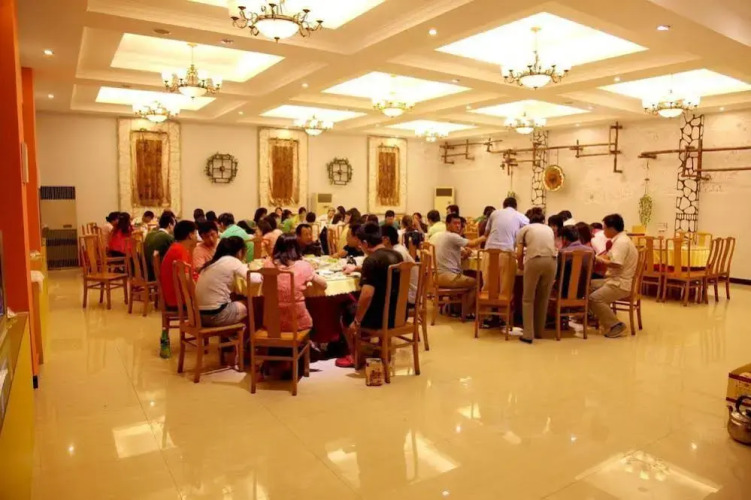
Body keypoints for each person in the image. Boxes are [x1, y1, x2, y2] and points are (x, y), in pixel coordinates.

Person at [339, 223, 403, 368]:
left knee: (346, 310)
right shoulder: (396, 255)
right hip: (398, 314)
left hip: (380, 319)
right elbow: (381, 270)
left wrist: (356, 322)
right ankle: (381, 348)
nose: (360, 247)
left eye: (360, 244)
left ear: (365, 243)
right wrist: (357, 268)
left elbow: (367, 295)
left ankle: (355, 356)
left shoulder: (371, 260)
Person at [264, 234, 327, 332]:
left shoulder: (268, 265)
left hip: (272, 323)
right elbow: (324, 285)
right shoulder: (303, 266)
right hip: (298, 323)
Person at [589, 214, 638, 339]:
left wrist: (598, 259)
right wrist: (600, 257)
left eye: (604, 228)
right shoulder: (621, 240)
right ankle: (599, 317)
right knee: (588, 285)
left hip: (620, 284)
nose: (603, 231)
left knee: (594, 298)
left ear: (612, 229)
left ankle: (616, 325)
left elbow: (616, 263)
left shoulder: (621, 243)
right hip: (615, 280)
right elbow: (610, 256)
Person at [516, 207, 557, 344]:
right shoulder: (549, 229)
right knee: (543, 298)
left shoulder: (525, 229)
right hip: (552, 261)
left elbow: (519, 253)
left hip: (534, 259)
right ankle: (539, 331)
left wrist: (521, 266)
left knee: (528, 298)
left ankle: (528, 334)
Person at [433, 213, 486, 317]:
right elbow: (472, 243)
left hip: (438, 275)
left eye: (459, 223)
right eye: (455, 223)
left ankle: (456, 308)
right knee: (476, 283)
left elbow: (458, 253)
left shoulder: (442, 235)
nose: (458, 226)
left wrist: (466, 254)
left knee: (466, 278)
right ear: (447, 224)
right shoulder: (452, 236)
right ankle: (466, 312)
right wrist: (485, 236)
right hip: (448, 276)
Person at [195, 236, 253, 327]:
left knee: (233, 298)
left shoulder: (211, 264)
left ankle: (232, 333)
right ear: (239, 251)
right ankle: (247, 335)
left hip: (199, 317)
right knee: (252, 304)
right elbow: (253, 278)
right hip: (216, 315)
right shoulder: (232, 260)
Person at [159, 220, 198, 309]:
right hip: (179, 300)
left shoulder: (177, 247)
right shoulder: (180, 251)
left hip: (175, 297)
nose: (197, 236)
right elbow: (187, 279)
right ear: (190, 235)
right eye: (195, 233)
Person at [382, 225, 418, 305]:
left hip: (408, 296)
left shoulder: (397, 253)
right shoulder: (398, 248)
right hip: (408, 292)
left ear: (386, 239)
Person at [558, 225, 595, 298]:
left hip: (563, 292)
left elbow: (557, 273)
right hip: (582, 291)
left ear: (564, 238)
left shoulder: (563, 252)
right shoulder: (591, 251)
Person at [144, 211, 176, 279]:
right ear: (170, 225)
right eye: (174, 225)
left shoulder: (149, 234)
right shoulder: (167, 237)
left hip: (148, 272)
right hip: (159, 274)